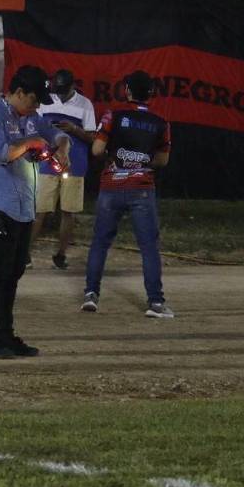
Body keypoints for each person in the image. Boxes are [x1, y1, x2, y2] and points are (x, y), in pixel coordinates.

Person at [0, 65, 70, 359]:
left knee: (14, 272)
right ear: (18, 93)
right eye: (33, 99)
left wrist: (62, 149)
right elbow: (0, 154)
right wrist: (30, 143)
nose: (37, 106)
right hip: (0, 207)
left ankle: (6, 334)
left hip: (25, 209)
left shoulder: (32, 118)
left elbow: (56, 135)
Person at [83, 71, 174, 318]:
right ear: (152, 93)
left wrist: (116, 159)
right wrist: (141, 162)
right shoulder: (161, 123)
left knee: (100, 242)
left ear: (127, 91)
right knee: (148, 247)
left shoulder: (113, 116)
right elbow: (163, 160)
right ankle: (155, 303)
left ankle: (91, 294)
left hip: (110, 187)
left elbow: (97, 148)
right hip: (141, 189)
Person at [31, 70, 96, 270]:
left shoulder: (85, 105)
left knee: (69, 211)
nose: (59, 95)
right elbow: (34, 128)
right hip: (47, 164)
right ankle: (25, 254)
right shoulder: (46, 101)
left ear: (72, 87)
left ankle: (60, 254)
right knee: (40, 210)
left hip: (75, 165)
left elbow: (93, 138)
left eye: (63, 91)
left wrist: (74, 130)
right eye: (56, 91)